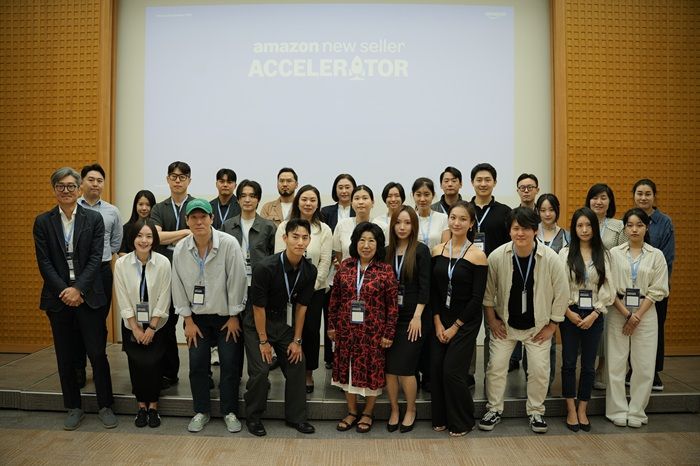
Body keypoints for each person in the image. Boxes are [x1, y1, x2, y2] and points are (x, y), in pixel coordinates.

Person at [33, 167, 117, 430]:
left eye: (71, 186)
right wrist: (66, 291)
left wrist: (78, 289)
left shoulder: (94, 219)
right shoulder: (43, 222)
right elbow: (44, 262)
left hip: (89, 295)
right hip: (58, 298)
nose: (66, 190)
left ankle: (105, 405)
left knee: (97, 353)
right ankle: (73, 407)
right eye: (61, 186)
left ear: (79, 189)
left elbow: (96, 258)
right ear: (54, 189)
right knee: (65, 355)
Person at [479, 207, 568, 434]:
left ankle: (536, 411)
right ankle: (494, 409)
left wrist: (552, 326)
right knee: (496, 367)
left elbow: (562, 294)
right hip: (505, 326)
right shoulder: (497, 256)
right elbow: (487, 294)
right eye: (516, 228)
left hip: (538, 327)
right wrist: (492, 321)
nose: (520, 233)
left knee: (539, 370)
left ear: (535, 230)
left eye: (526, 228)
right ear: (509, 231)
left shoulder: (551, 258)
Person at [171, 199, 248, 434]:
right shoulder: (181, 249)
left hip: (227, 317)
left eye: (203, 217)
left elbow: (238, 280)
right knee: (197, 364)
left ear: (212, 219)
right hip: (197, 319)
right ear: (187, 221)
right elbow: (177, 285)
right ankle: (201, 411)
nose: (199, 222)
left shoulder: (229, 244)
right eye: (193, 218)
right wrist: (187, 320)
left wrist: (234, 315)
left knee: (230, 364)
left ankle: (229, 411)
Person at [244, 218, 318, 437]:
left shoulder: (309, 270)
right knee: (261, 370)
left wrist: (297, 341)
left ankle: (297, 417)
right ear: (285, 238)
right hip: (258, 323)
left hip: (284, 323)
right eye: (295, 237)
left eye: (305, 238)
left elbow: (302, 307)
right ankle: (254, 416)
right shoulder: (265, 267)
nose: (300, 242)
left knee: (298, 362)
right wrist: (263, 341)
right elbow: (258, 308)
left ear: (309, 240)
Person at [329, 222, 398, 434]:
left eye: (371, 241)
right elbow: (334, 300)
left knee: (371, 371)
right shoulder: (346, 266)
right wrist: (331, 326)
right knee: (348, 370)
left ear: (378, 245)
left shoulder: (385, 270)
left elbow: (392, 306)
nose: (366, 245)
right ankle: (351, 412)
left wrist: (388, 333)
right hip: (346, 330)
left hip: (373, 333)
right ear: (355, 243)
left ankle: (368, 412)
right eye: (362, 240)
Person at [606, 208, 669, 428]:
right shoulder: (614, 253)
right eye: (630, 225)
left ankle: (637, 411)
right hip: (618, 310)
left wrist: (637, 316)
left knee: (644, 364)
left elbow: (658, 289)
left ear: (647, 227)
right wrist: (626, 314)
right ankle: (617, 410)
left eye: (639, 225)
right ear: (624, 228)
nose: (634, 229)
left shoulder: (656, 255)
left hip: (646, 312)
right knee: (616, 363)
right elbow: (608, 286)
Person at [430, 201, 488, 437]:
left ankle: (463, 420)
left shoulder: (478, 256)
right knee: (436, 368)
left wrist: (455, 327)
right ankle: (441, 417)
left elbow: (476, 299)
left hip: (466, 321)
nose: (457, 222)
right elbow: (434, 292)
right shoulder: (437, 250)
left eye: (463, 219)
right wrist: (437, 322)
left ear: (471, 223)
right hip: (440, 318)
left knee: (452, 372)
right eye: (453, 217)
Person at [559, 207, 615, 432]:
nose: (584, 230)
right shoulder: (565, 253)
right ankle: (570, 409)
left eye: (588, 225)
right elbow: (559, 287)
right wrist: (567, 312)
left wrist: (595, 313)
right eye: (579, 225)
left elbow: (609, 288)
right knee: (569, 363)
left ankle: (583, 408)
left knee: (589, 365)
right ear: (574, 228)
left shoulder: (604, 254)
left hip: (594, 314)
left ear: (595, 228)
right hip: (570, 313)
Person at [274, 185, 332, 393]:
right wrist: (292, 287)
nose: (308, 203)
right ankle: (292, 370)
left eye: (313, 200)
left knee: (311, 332)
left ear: (318, 204)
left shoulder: (324, 229)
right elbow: (279, 256)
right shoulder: (284, 226)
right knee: (288, 331)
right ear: (298, 201)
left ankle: (308, 373)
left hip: (315, 291)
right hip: (289, 290)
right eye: (304, 199)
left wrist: (310, 287)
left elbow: (325, 262)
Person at [114, 219, 171, 428]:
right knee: (136, 363)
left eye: (148, 236)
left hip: (157, 324)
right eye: (139, 236)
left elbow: (165, 296)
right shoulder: (122, 264)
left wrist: (152, 327)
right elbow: (122, 297)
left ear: (154, 240)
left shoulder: (163, 263)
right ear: (132, 238)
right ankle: (141, 407)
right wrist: (136, 328)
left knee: (154, 364)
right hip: (132, 324)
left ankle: (153, 407)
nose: (144, 240)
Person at [73, 163, 123, 388]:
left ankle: (97, 364)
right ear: (81, 183)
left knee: (98, 321)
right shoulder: (73, 208)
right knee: (76, 322)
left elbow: (115, 243)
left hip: (101, 272)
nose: (95, 184)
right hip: (77, 273)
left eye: (99, 181)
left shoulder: (112, 211)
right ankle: (78, 368)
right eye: (91, 180)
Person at [384, 206, 431, 433]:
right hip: (390, 319)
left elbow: (425, 287)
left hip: (413, 318)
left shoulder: (421, 251)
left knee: (406, 369)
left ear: (414, 226)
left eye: (407, 223)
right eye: (398, 222)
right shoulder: (386, 252)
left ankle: (411, 409)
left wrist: (417, 316)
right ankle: (394, 409)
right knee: (390, 369)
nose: (402, 227)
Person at [150, 161, 195, 388]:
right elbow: (156, 237)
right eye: (174, 176)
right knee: (166, 324)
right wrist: (186, 231)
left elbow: (201, 234)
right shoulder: (159, 208)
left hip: (192, 274)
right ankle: (169, 373)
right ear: (168, 179)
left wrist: (173, 235)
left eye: (182, 177)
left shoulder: (196, 205)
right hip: (165, 273)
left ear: (189, 180)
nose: (178, 180)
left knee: (195, 324)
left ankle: (201, 373)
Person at [468, 163, 512, 383]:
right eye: (479, 180)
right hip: (468, 276)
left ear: (494, 182)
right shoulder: (464, 209)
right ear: (472, 183)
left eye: (487, 180)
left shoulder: (505, 212)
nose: (483, 184)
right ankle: (467, 375)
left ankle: (492, 376)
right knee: (468, 327)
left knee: (494, 328)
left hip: (496, 277)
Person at [632, 179, 675, 391]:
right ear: (633, 196)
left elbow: (667, 258)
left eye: (647, 194)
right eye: (639, 193)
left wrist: (652, 282)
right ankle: (632, 369)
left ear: (654, 196)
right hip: (631, 289)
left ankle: (654, 371)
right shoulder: (630, 219)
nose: (643, 197)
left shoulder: (664, 222)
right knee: (631, 327)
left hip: (655, 288)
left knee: (655, 330)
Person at [585, 183, 626, 389]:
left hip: (609, 285)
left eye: (603, 197)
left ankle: (602, 369)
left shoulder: (619, 226)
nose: (598, 202)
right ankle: (587, 369)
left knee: (606, 330)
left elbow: (623, 255)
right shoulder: (584, 222)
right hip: (586, 285)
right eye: (595, 197)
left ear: (610, 201)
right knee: (588, 328)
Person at [320, 173, 356, 369]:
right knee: (331, 314)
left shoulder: (359, 209)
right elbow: (325, 239)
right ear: (335, 190)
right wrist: (334, 259)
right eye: (340, 187)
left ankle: (348, 353)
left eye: (347, 187)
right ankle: (330, 357)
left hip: (353, 272)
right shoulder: (326, 212)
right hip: (331, 272)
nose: (344, 191)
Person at [333, 185, 385, 262]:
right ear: (351, 203)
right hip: (347, 269)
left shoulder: (382, 226)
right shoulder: (342, 225)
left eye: (365, 198)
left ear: (372, 202)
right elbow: (338, 254)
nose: (361, 202)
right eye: (357, 198)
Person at [412, 177, 449, 249]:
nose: (422, 199)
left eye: (426, 195)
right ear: (413, 195)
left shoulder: (443, 218)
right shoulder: (409, 219)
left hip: (437, 256)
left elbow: (445, 248)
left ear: (433, 195)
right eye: (418, 195)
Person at [119, 190, 157, 255]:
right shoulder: (126, 228)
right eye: (140, 204)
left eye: (148, 205)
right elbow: (122, 253)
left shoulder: (157, 228)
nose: (144, 208)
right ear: (135, 206)